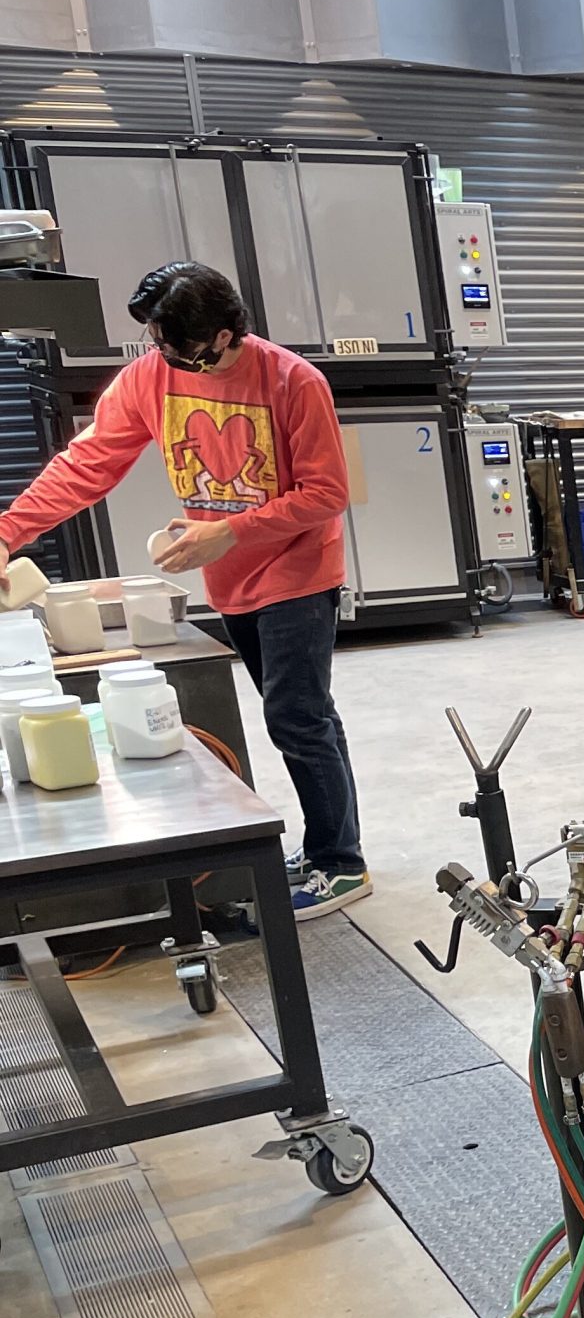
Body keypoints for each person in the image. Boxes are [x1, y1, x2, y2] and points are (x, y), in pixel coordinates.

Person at [0, 261, 366, 919]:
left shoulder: (293, 382)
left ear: (229, 333)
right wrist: (8, 531)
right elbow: (88, 465)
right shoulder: (152, 375)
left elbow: (327, 493)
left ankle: (341, 863)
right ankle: (325, 847)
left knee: (296, 716)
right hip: (232, 577)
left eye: (188, 354)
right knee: (299, 712)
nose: (173, 365)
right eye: (162, 349)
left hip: (297, 572)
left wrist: (226, 533)